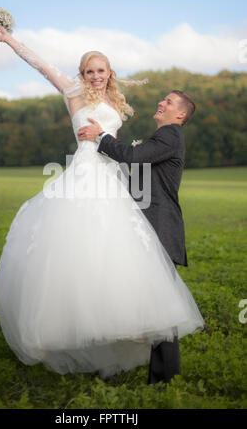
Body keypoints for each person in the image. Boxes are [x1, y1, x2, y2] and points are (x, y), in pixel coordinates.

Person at [0, 25, 204, 380]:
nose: (94, 76)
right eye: (89, 70)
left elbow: (128, 151)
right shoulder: (73, 91)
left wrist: (112, 142)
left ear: (109, 74)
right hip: (86, 172)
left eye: (100, 70)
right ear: (82, 74)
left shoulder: (116, 103)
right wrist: (8, 38)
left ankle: (121, 325)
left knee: (119, 252)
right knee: (78, 248)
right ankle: (74, 323)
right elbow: (42, 65)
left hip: (114, 178)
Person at [77, 90, 196, 383]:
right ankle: (120, 365)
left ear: (180, 114)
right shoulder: (162, 137)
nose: (161, 103)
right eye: (163, 99)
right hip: (144, 224)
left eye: (168, 102)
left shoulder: (170, 136)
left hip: (159, 226)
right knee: (142, 298)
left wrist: (100, 135)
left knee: (163, 305)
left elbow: (132, 156)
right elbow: (135, 172)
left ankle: (165, 380)